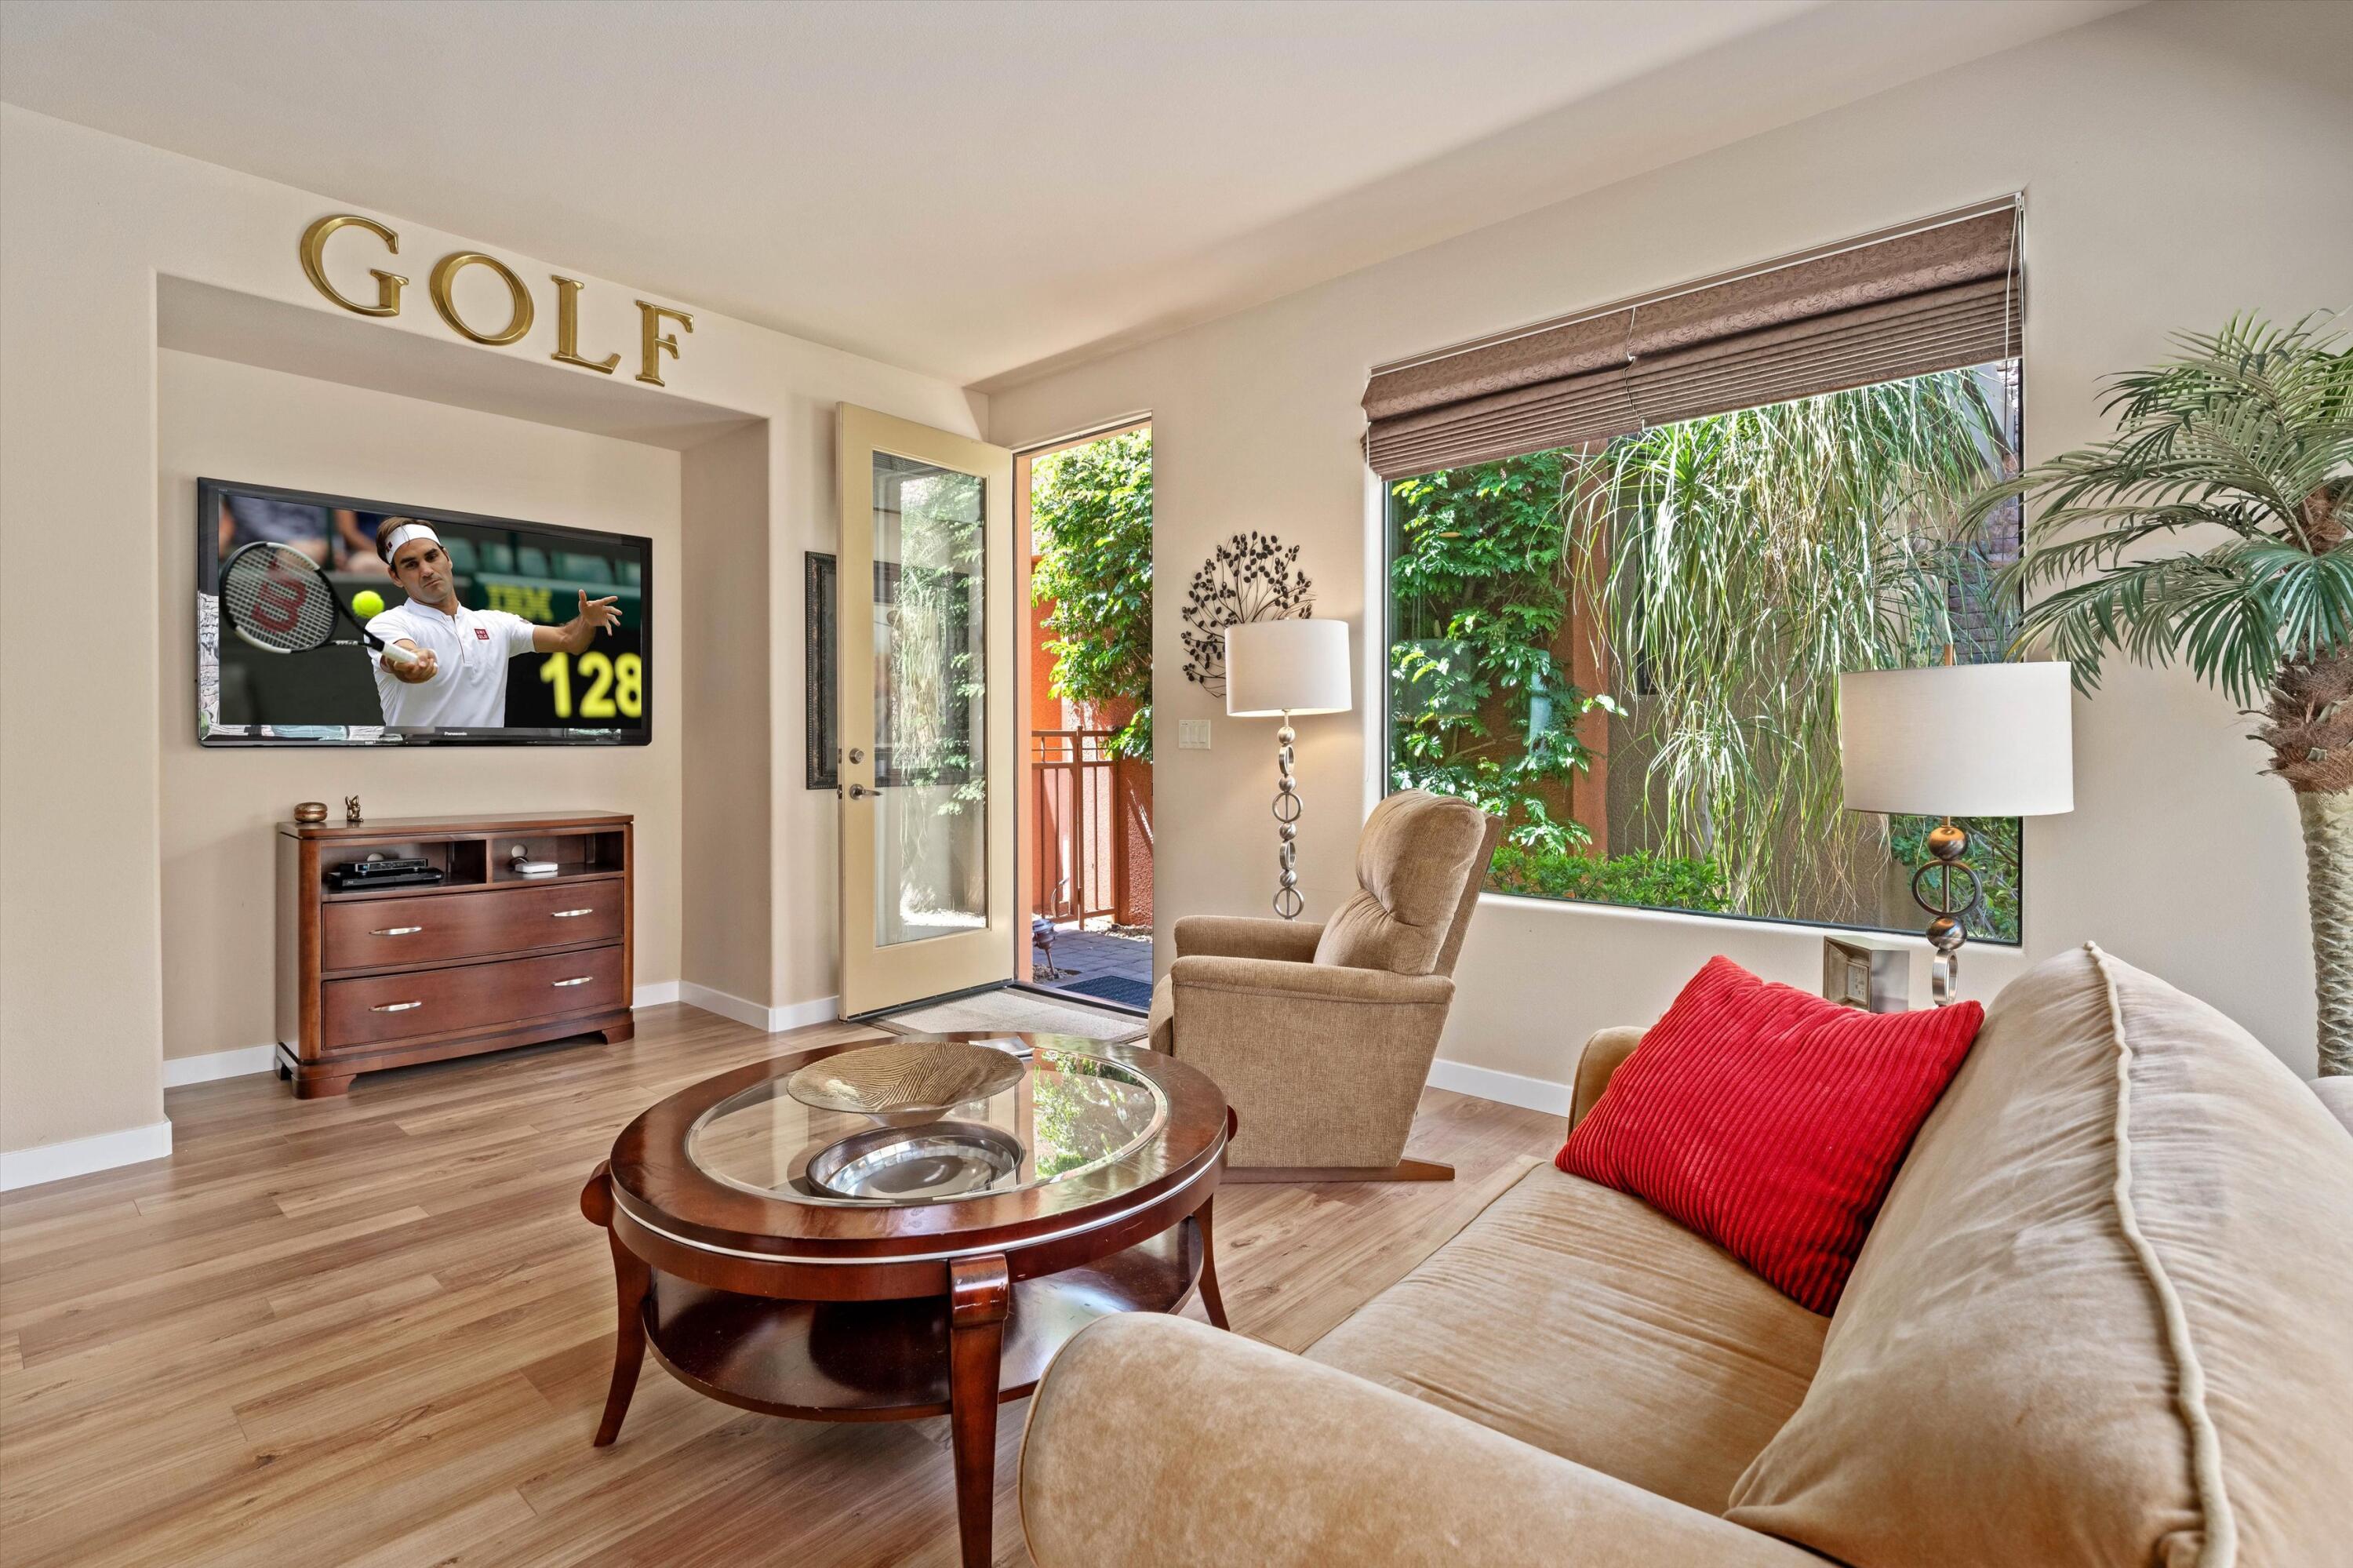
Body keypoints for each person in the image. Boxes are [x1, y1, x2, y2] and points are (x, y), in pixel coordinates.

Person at [365, 516, 620, 729]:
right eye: (411, 565)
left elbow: (570, 640)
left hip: (487, 770)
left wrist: (586, 621)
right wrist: (413, 661)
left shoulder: (498, 624)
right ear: (395, 576)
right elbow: (400, 657)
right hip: (416, 773)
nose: (426, 570)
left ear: (447, 557)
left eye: (432, 557)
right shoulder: (388, 623)